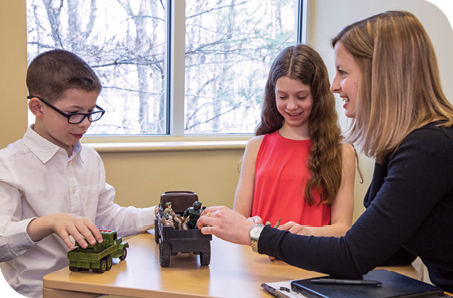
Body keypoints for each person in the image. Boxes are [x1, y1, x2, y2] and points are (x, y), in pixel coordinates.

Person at [197, 11, 453, 292]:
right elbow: (391, 248)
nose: (333, 86)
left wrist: (255, 233)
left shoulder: (430, 147)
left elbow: (353, 255)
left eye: (343, 72)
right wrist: (305, 240)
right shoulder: (400, 145)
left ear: (380, 75)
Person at [0, 49, 156, 298]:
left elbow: (107, 220)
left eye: (91, 112)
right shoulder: (7, 165)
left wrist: (157, 214)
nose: (85, 123)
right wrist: (49, 222)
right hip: (36, 292)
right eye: (74, 113)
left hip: (92, 285)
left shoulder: (90, 158)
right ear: (37, 107)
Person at [233, 44, 356, 237]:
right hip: (259, 260)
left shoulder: (342, 153)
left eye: (301, 96)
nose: (291, 106)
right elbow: (238, 218)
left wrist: (304, 232)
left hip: (312, 261)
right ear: (272, 94)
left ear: (318, 95)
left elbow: (343, 229)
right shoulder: (256, 146)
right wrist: (250, 224)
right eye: (282, 96)